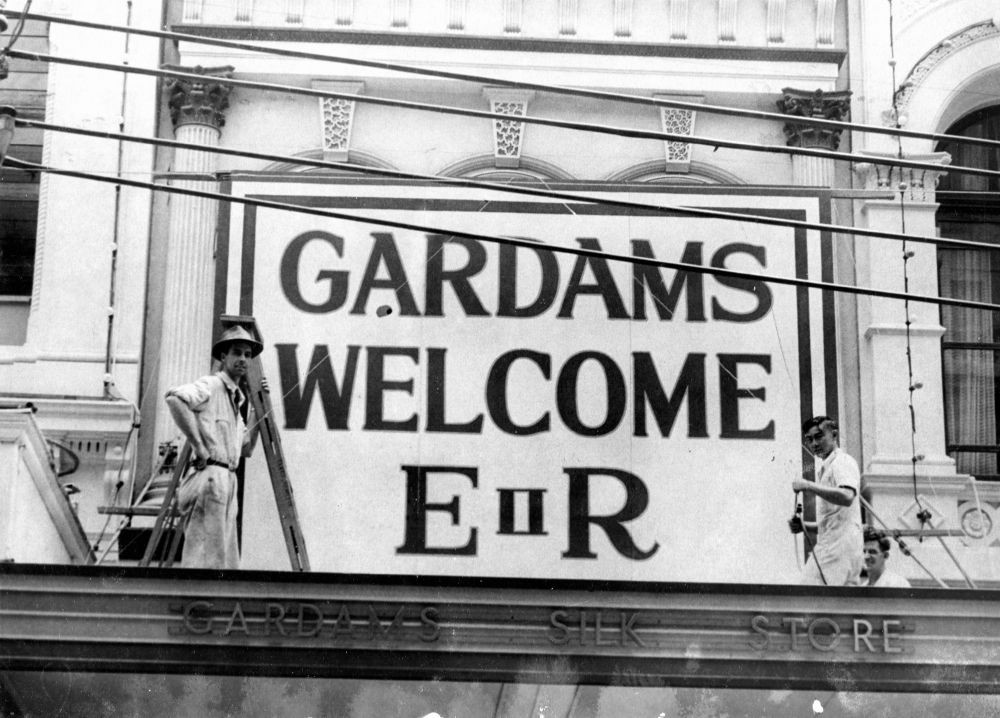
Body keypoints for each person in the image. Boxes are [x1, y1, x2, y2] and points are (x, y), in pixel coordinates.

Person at [165, 325, 263, 569]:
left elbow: (247, 448)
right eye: (237, 353)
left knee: (224, 561)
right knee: (206, 561)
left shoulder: (234, 399)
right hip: (211, 476)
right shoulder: (212, 385)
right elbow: (175, 399)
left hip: (227, 479)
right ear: (223, 357)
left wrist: (260, 407)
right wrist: (199, 447)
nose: (243, 359)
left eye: (247, 355)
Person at [789, 416, 863, 586]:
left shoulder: (842, 462)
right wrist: (805, 527)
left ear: (834, 435)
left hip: (839, 549)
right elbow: (832, 521)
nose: (814, 444)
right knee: (814, 597)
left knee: (812, 597)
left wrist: (808, 485)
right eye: (809, 439)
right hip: (833, 546)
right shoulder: (828, 467)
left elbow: (847, 496)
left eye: (819, 436)